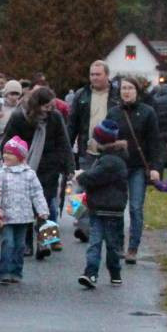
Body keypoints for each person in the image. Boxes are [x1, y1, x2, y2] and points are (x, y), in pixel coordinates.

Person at [0, 87, 73, 251]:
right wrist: (8, 159)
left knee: (47, 204)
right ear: (37, 105)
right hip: (24, 164)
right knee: (26, 204)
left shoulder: (55, 117)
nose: (49, 110)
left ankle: (47, 239)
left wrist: (69, 165)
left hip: (50, 165)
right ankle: (27, 242)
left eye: (51, 106)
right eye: (46, 106)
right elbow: (8, 139)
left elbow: (64, 141)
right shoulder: (20, 117)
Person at [106, 76, 162, 265]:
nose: (126, 92)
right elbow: (106, 139)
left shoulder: (148, 113)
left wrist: (155, 167)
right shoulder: (113, 113)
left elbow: (155, 142)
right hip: (118, 166)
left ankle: (133, 247)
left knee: (136, 207)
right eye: (123, 88)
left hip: (138, 166)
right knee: (118, 207)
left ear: (137, 91)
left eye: (130, 88)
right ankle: (119, 244)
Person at [67, 61, 119, 243]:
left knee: (105, 190)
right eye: (92, 74)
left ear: (107, 75)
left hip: (110, 151)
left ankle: (105, 226)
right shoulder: (82, 95)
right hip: (86, 150)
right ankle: (83, 225)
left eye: (98, 74)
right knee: (80, 189)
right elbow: (72, 124)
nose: (94, 78)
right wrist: (68, 150)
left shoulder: (117, 96)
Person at [75, 120, 128, 289]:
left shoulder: (109, 162)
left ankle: (96, 272)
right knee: (107, 243)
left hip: (106, 208)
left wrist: (81, 176)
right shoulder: (112, 159)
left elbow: (94, 178)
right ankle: (105, 273)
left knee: (99, 243)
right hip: (103, 208)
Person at [0, 136, 49, 284]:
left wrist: (42, 210)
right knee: (8, 243)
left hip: (24, 217)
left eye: (10, 153)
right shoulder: (2, 173)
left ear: (20, 157)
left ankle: (16, 271)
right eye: (5, 152)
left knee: (20, 245)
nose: (6, 155)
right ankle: (4, 272)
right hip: (7, 216)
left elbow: (37, 193)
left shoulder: (29, 174)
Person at [0, 78, 23, 144]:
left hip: (12, 142)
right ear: (6, 94)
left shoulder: (20, 108)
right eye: (12, 94)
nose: (14, 97)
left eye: (17, 94)